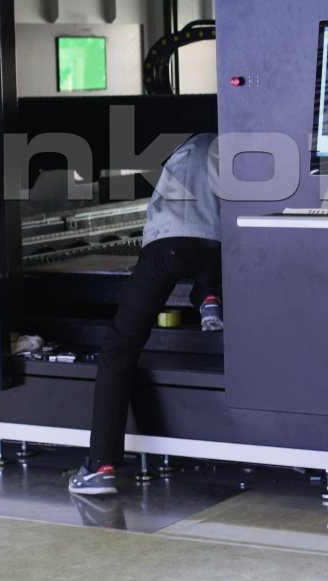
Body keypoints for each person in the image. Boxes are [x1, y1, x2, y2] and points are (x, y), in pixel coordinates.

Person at [68, 132, 222, 495]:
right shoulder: (235, 148)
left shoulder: (185, 149)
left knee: (119, 346)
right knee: (209, 268)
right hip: (215, 249)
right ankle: (208, 298)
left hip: (167, 248)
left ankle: (100, 465)